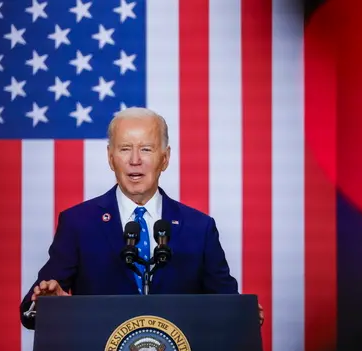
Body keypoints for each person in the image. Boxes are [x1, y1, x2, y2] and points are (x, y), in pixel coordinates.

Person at [19, 107, 263, 329]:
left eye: (146, 149)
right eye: (125, 149)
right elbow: (31, 311)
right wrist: (49, 305)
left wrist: (244, 313)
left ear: (165, 159)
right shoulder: (78, 223)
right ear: (110, 157)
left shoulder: (199, 228)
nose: (135, 160)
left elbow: (227, 304)